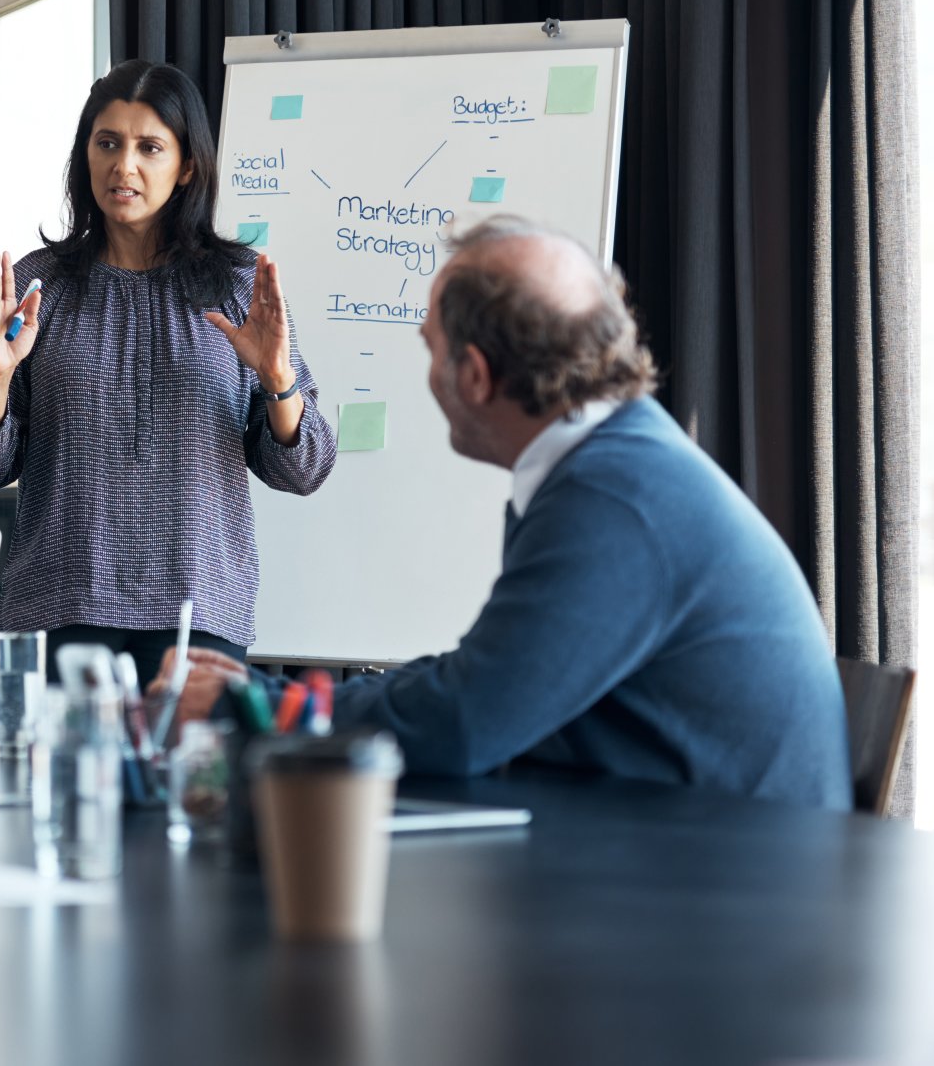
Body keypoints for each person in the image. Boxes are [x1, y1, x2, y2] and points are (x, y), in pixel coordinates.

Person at [158, 216, 850, 809]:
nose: (427, 369)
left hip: (728, 897)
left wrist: (258, 710)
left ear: (477, 376)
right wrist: (278, 698)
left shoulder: (614, 502)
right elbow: (490, 679)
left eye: (430, 347)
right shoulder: (613, 464)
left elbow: (466, 717)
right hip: (689, 850)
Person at [0, 59, 337, 687]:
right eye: (108, 144)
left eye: (150, 147)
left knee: (190, 787)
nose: (124, 166)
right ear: (86, 157)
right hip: (59, 606)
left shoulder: (237, 287)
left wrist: (276, 378)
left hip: (197, 612)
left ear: (185, 167)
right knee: (60, 787)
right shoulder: (39, 285)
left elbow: (306, 467)